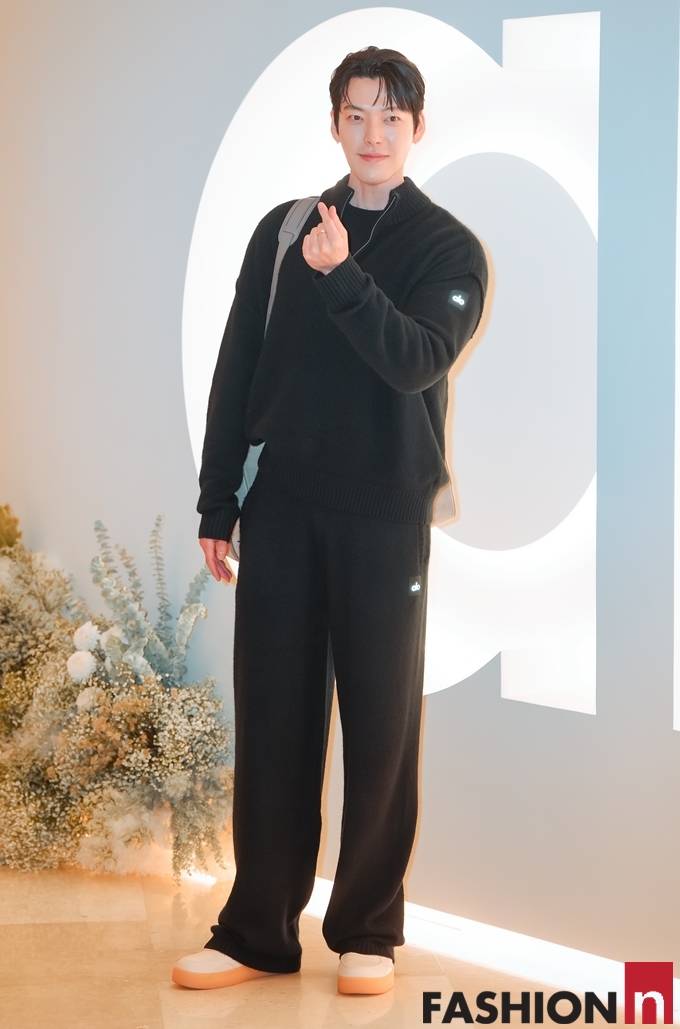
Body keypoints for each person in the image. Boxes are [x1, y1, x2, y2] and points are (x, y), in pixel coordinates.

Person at [171, 45, 488, 997]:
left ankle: (367, 930)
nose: (373, 133)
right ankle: (256, 930)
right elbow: (239, 364)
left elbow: (415, 359)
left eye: (391, 116)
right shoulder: (284, 232)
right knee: (275, 718)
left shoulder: (450, 249)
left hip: (386, 518)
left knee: (383, 727)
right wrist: (218, 498)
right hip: (283, 509)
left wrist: (345, 276)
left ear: (418, 127)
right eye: (356, 115)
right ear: (335, 124)